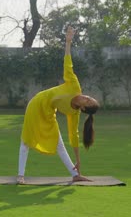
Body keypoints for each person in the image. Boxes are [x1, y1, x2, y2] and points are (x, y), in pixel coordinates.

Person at [17, 26, 99, 184]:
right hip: (37, 104)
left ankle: (75, 175)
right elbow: (68, 64)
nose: (86, 97)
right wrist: (68, 42)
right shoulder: (74, 85)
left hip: (48, 112)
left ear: (83, 108)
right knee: (26, 140)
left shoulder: (73, 113)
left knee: (59, 144)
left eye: (87, 101)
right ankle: (20, 175)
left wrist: (78, 160)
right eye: (89, 97)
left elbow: (73, 136)